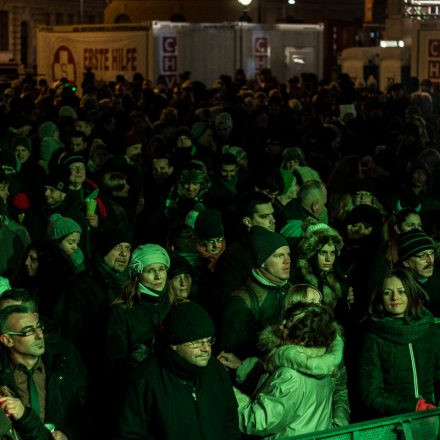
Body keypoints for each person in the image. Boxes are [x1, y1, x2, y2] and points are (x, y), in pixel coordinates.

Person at [114, 301, 240, 440]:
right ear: (174, 344)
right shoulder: (146, 380)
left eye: (208, 340)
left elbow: (230, 421)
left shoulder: (216, 371)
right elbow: (129, 433)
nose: (206, 349)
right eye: (197, 342)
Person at [233, 302, 349, 438]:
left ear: (303, 339)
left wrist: (229, 395)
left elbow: (255, 422)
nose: (281, 327)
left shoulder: (290, 376)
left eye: (287, 326)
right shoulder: (322, 367)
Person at [359, 268, 440, 419]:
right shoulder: (374, 337)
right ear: (380, 298)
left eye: (401, 291)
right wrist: (414, 407)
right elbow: (371, 394)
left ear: (411, 292)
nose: (395, 297)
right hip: (394, 424)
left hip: (430, 418)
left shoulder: (429, 329)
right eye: (387, 292)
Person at [0, 304, 88, 440]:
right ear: (7, 340)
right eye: (28, 331)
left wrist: (68, 433)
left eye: (39, 326)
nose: (39, 335)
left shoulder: (64, 358)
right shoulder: (3, 375)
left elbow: (89, 409)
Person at [219, 225, 291, 358]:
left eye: (288, 254)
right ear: (262, 261)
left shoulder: (290, 289)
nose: (287, 260)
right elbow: (229, 354)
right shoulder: (242, 301)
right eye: (279, 256)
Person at [107, 243, 171, 380]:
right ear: (137, 275)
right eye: (150, 270)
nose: (158, 276)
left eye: (161, 269)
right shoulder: (121, 311)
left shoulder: (172, 303)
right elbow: (115, 362)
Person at [397, 228, 440, 316]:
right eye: (423, 255)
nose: (430, 260)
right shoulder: (398, 284)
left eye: (431, 253)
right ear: (406, 262)